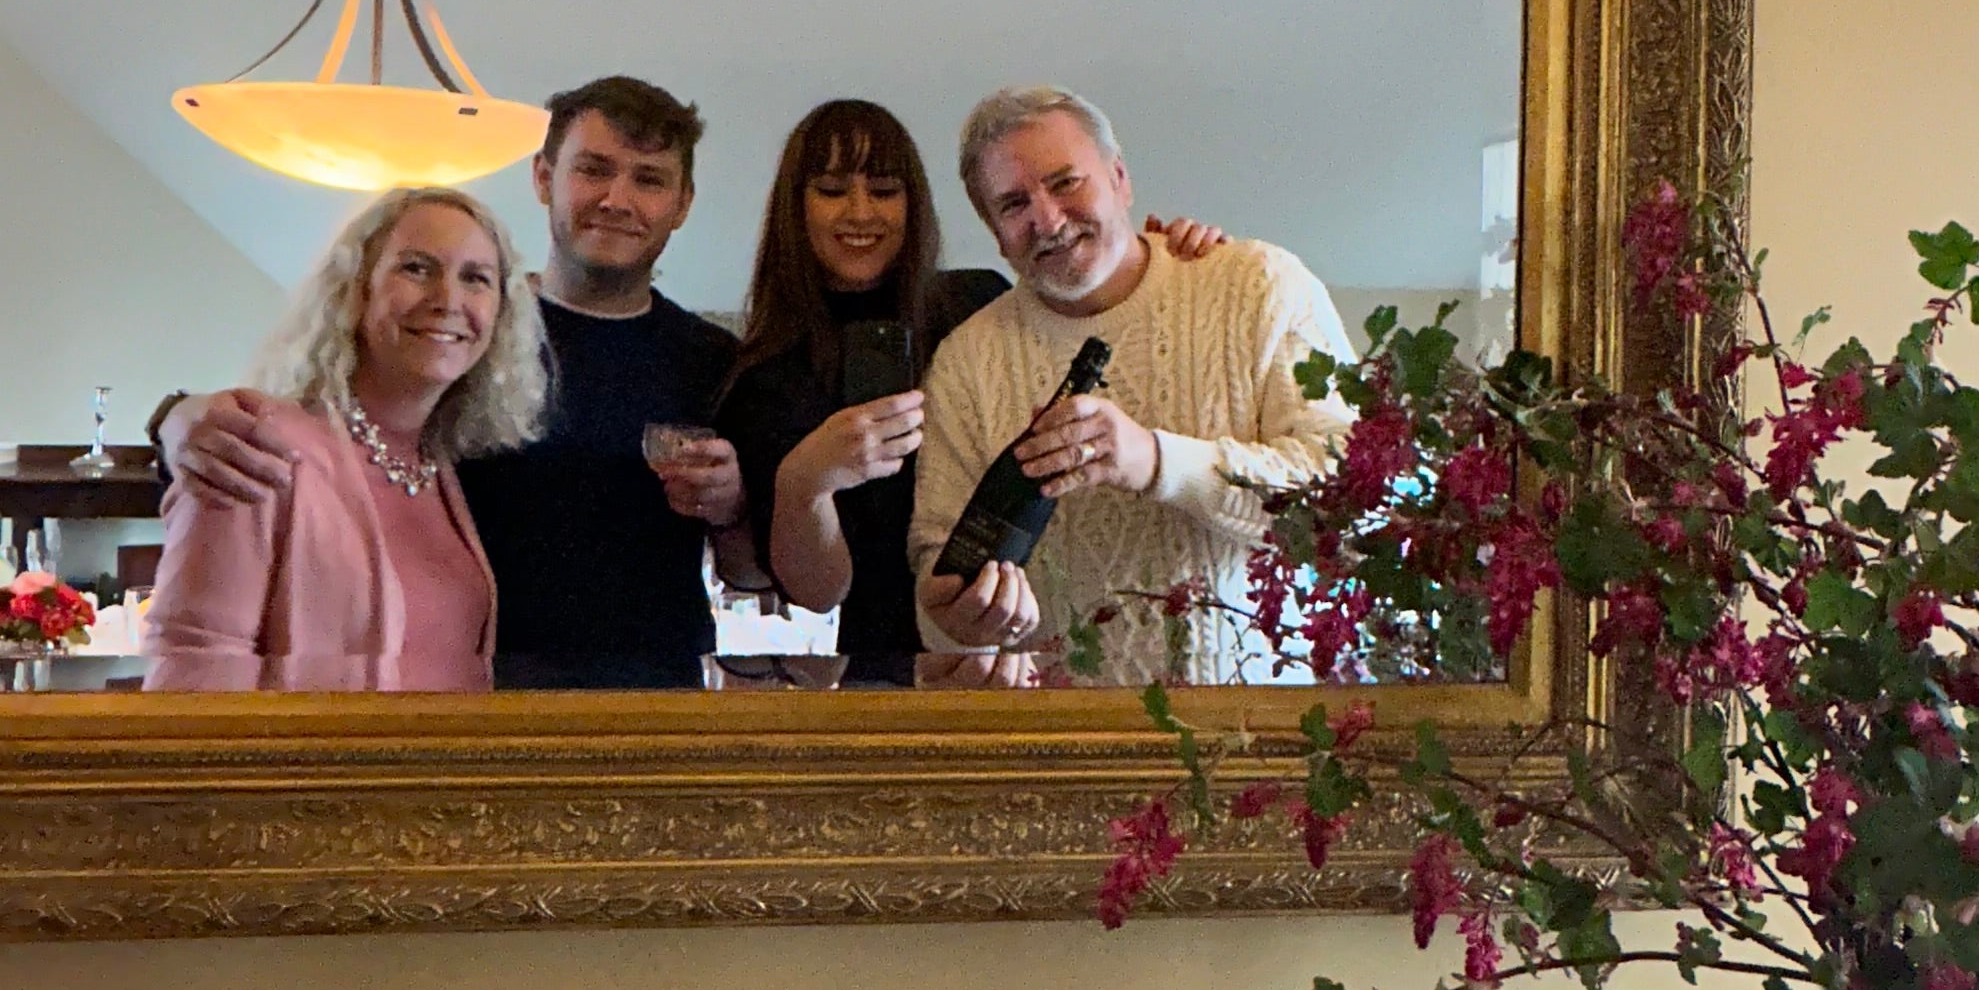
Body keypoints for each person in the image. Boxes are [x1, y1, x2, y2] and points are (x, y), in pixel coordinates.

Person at [159, 76, 747, 688]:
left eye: (648, 179)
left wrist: (732, 508)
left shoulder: (717, 362)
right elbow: (293, 443)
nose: (616, 199)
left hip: (651, 699)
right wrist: (175, 421)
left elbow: (757, 568)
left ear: (683, 203)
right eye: (593, 169)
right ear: (544, 178)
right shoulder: (475, 339)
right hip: (474, 706)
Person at [714, 99, 1229, 687]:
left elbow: (1096, 320)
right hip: (885, 673)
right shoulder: (764, 376)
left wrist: (1165, 258)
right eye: (832, 190)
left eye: (884, 190)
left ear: (913, 204)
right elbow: (818, 595)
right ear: (795, 207)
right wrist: (808, 478)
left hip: (1029, 654)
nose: (861, 212)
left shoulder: (976, 309)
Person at [910, 85, 1352, 685]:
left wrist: (1156, 461)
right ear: (993, 231)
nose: (1047, 217)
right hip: (1059, 749)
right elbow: (937, 579)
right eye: (1013, 204)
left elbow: (1352, 505)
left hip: (1255, 737)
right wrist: (969, 620)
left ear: (1120, 179)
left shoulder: (1259, 287)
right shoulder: (967, 360)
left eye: (1066, 182)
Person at [143, 186, 542, 692]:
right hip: (305, 772)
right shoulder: (255, 444)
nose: (447, 300)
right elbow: (193, 669)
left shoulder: (452, 470)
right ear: (356, 290)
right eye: (416, 268)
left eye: (476, 279)